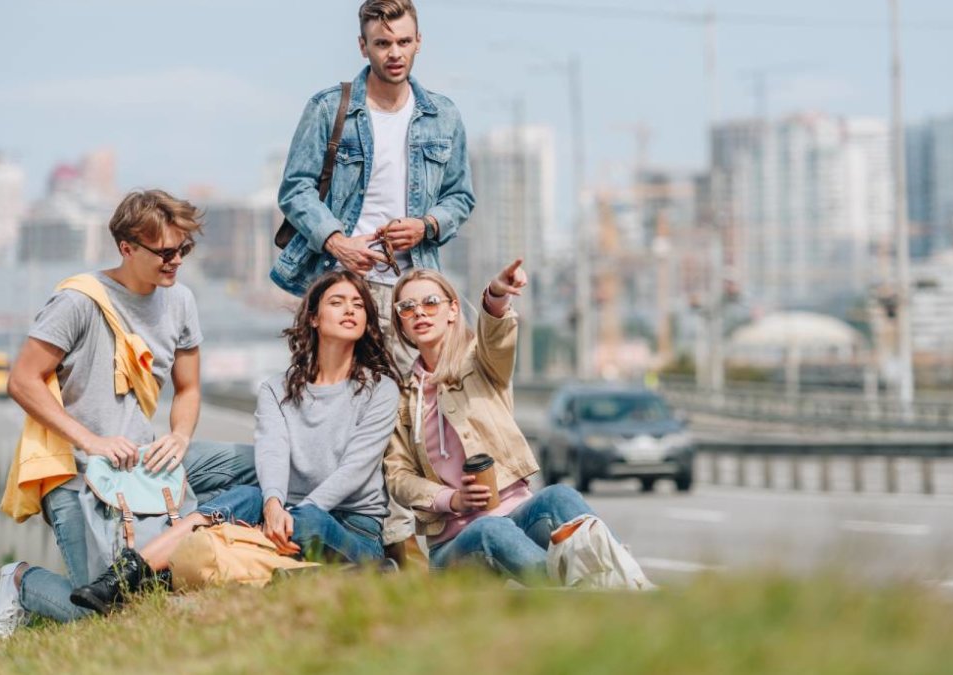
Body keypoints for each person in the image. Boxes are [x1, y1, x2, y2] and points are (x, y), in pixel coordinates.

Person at [0, 190, 256, 637]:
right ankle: (19, 581)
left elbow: (188, 388)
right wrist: (91, 441)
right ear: (127, 248)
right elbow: (22, 380)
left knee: (259, 467)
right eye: (166, 252)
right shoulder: (79, 302)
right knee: (103, 609)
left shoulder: (181, 301)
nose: (176, 261)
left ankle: (186, 541)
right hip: (76, 471)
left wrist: (180, 437)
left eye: (184, 250)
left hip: (148, 457)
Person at [69, 271, 400, 614]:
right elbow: (273, 451)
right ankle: (123, 578)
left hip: (351, 527)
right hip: (285, 514)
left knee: (308, 522)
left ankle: (361, 568)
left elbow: (355, 469)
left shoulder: (380, 389)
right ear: (313, 317)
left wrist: (292, 514)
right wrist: (272, 504)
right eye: (337, 302)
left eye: (358, 305)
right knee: (245, 497)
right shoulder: (277, 389)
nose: (350, 310)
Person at [272, 0, 474, 561]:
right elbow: (295, 190)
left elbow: (462, 196)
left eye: (403, 42)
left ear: (418, 42)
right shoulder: (330, 108)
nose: (394, 54)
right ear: (364, 46)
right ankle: (376, 536)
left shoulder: (443, 116)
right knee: (345, 410)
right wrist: (337, 240)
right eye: (383, 44)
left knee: (416, 413)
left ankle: (427, 536)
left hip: (413, 286)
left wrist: (428, 224)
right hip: (344, 285)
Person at [384, 260, 599, 583]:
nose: (420, 313)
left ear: (453, 310)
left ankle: (617, 576)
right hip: (454, 544)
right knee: (489, 527)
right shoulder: (401, 395)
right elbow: (398, 476)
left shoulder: (481, 364)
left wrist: (496, 296)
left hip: (518, 516)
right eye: (407, 307)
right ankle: (577, 592)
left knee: (559, 497)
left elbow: (496, 339)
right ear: (400, 323)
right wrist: (452, 499)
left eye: (431, 302)